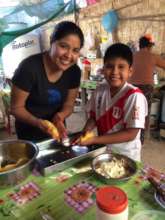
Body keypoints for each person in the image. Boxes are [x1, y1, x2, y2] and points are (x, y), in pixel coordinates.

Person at [10, 21, 84, 141]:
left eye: (75, 50)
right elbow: (15, 108)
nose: (69, 55)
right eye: (63, 46)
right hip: (29, 136)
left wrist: (60, 117)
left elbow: (69, 105)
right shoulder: (29, 68)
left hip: (58, 132)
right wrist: (38, 123)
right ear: (52, 41)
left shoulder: (74, 72)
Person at [79, 43, 148, 161]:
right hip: (103, 151)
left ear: (130, 71)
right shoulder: (100, 89)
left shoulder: (134, 96)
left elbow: (130, 133)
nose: (114, 72)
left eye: (121, 67)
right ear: (103, 69)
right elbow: (94, 117)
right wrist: (86, 131)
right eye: (109, 66)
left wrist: (95, 140)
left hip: (126, 156)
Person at [129, 34, 165, 139]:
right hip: (146, 89)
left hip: (132, 88)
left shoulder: (132, 56)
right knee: (145, 112)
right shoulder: (153, 56)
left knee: (132, 110)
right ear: (149, 46)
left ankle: (130, 133)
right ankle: (141, 137)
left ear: (139, 46)